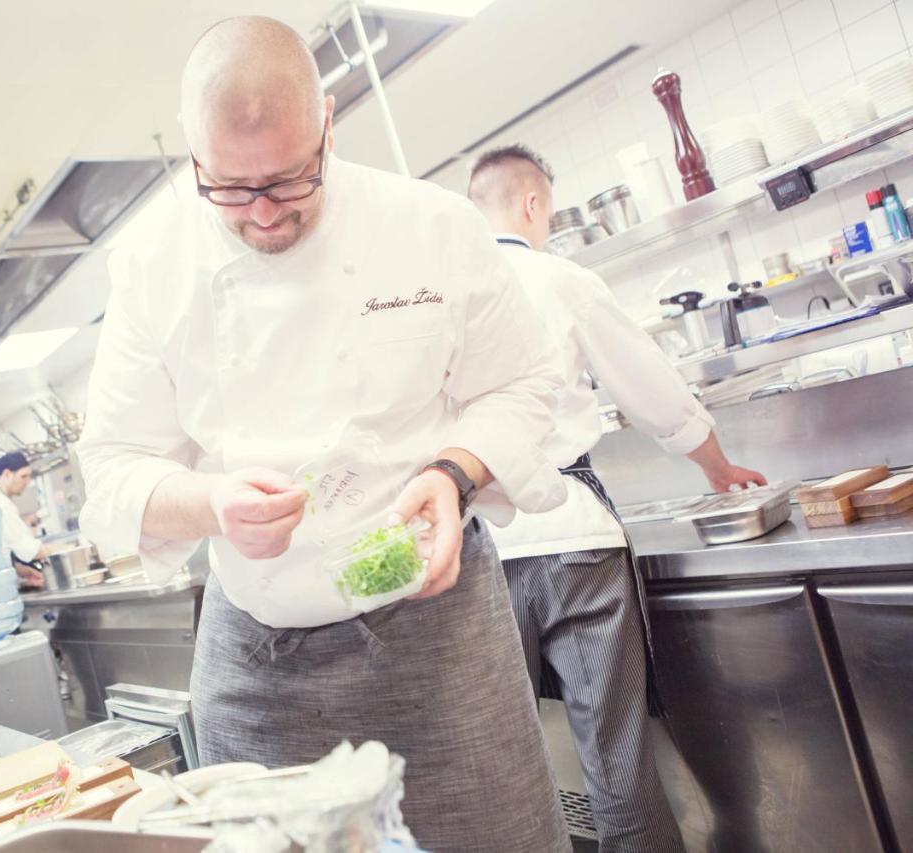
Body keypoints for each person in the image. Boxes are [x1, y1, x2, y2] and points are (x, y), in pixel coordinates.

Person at [75, 17, 578, 851]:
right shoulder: (151, 265)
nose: (263, 213)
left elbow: (525, 380)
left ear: (329, 128)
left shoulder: (430, 227)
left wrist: (454, 472)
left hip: (442, 637)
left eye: (287, 179)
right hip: (258, 664)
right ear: (193, 158)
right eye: (230, 189)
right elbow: (113, 468)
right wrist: (209, 502)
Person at [467, 144, 767, 853]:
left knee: (498, 771)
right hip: (574, 542)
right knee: (615, 763)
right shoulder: (560, 279)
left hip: (478, 550)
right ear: (533, 205)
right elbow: (651, 388)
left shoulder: (441, 298)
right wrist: (716, 464)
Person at [0, 451, 48, 589]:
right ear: (7, 474)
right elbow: (31, 551)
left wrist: (20, 570)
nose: (27, 482)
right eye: (23, 476)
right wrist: (63, 551)